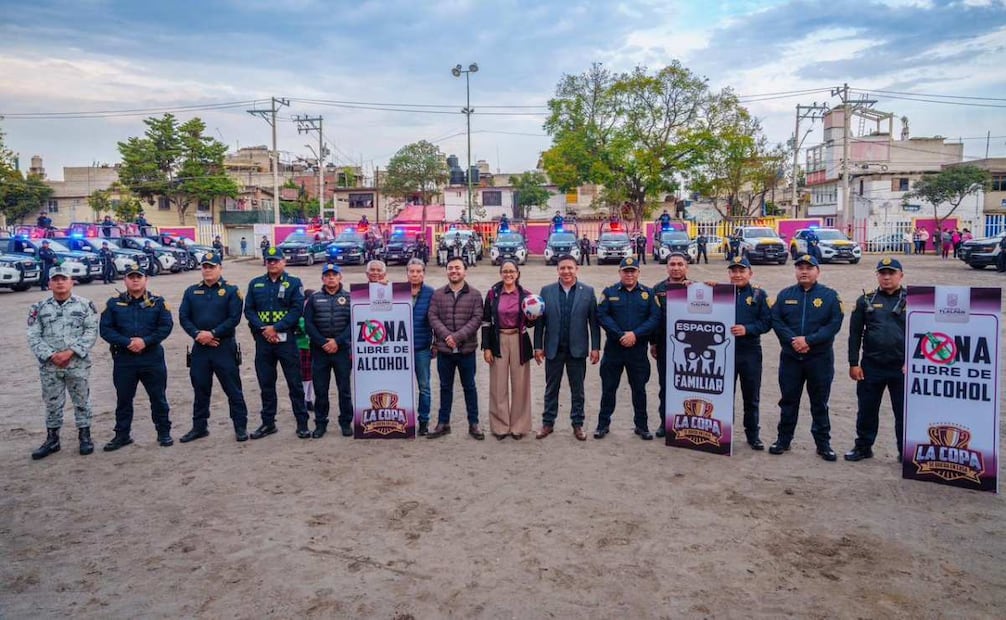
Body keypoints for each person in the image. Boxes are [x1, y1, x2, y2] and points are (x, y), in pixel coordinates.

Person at [769, 254, 844, 461]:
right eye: (800, 268)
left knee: (819, 402)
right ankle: (783, 440)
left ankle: (823, 444)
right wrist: (794, 340)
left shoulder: (829, 296)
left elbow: (834, 324)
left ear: (817, 272)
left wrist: (809, 341)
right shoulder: (785, 295)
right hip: (791, 358)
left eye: (809, 268)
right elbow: (776, 320)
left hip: (819, 359)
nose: (804, 271)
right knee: (788, 400)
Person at [26, 264, 100, 459]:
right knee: (52, 402)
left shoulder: (85, 305)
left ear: (71, 282)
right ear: (49, 283)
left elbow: (91, 332)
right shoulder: (39, 308)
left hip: (76, 363)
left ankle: (84, 435)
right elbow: (33, 336)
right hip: (50, 365)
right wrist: (51, 355)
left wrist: (71, 352)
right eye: (55, 279)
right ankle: (52, 439)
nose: (60, 283)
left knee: (82, 400)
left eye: (63, 279)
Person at [99, 262, 174, 450]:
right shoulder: (114, 303)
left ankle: (163, 432)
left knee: (158, 397)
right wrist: (127, 342)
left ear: (145, 280)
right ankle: (122, 435)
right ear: (125, 280)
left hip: (151, 358)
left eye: (138, 277)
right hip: (124, 359)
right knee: (124, 399)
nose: (135, 280)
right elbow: (106, 330)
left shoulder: (158, 302)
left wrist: (145, 341)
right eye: (131, 277)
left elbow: (165, 327)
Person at [177, 251, 249, 443]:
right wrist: (198, 335)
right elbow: (184, 317)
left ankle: (240, 426)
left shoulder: (232, 291)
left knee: (233, 389)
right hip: (200, 348)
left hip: (223, 347)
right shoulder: (191, 291)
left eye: (212, 266)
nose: (207, 270)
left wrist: (213, 333)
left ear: (220, 268)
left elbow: (234, 318)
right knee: (200, 388)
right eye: (205, 266)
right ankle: (199, 427)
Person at [845, 258, 907, 462]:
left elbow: (924, 334)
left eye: (891, 273)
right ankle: (863, 447)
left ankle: (905, 452)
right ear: (878, 275)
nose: (887, 277)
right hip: (872, 366)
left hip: (903, 368)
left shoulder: (915, 300)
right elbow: (855, 334)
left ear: (901, 275)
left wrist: (916, 362)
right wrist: (854, 363)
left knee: (904, 413)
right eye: (882, 273)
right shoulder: (866, 300)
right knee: (867, 410)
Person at [533, 255, 600, 441]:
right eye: (562, 268)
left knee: (577, 389)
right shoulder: (546, 292)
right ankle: (547, 423)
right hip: (553, 349)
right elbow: (540, 323)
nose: (566, 271)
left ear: (576, 269)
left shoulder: (587, 291)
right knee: (551, 388)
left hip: (577, 350)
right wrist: (538, 346)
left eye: (570, 268)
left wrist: (595, 347)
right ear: (558, 270)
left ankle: (577, 424)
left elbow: (593, 322)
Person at [244, 247, 308, 439]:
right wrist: (265, 329)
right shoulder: (255, 284)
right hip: (264, 341)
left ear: (284, 262)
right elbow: (249, 310)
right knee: (266, 384)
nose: (272, 263)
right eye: (269, 260)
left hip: (287, 341)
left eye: (276, 260)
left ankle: (302, 423)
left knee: (294, 383)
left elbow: (297, 310)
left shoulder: (294, 283)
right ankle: (268, 423)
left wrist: (276, 328)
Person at [596, 257, 661, 440]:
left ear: (638, 273)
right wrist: (620, 335)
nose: (629, 274)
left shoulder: (648, 294)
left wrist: (635, 334)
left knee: (639, 389)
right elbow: (602, 315)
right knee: (609, 388)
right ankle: (603, 425)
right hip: (614, 350)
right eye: (626, 271)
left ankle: (642, 426)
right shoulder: (609, 292)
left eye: (633, 271)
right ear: (620, 272)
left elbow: (655, 318)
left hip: (637, 351)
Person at [427, 256, 485, 440]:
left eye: (457, 268)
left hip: (466, 350)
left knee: (470, 387)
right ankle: (443, 423)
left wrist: (458, 337)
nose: (454, 271)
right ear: (446, 271)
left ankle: (473, 423)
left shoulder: (475, 295)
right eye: (450, 268)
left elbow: (477, 319)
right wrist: (446, 337)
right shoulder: (437, 294)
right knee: (445, 387)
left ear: (464, 271)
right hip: (445, 351)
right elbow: (432, 316)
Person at [481, 260, 536, 439]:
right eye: (505, 271)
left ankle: (519, 427)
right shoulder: (493, 294)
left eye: (512, 271)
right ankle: (500, 426)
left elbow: (530, 322)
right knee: (498, 385)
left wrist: (533, 316)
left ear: (518, 273)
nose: (508, 274)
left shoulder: (526, 295)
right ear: (500, 273)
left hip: (519, 340)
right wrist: (486, 347)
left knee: (520, 385)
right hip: (499, 340)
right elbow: (486, 321)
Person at [725, 256, 772, 449]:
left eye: (741, 271)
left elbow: (767, 322)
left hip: (749, 352)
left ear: (749, 273)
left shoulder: (759, 295)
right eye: (733, 271)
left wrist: (748, 329)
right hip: (724, 353)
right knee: (725, 396)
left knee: (751, 396)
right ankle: (724, 434)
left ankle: (753, 435)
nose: (737, 275)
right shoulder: (720, 293)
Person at [303, 264, 352, 438]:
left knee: (344, 389)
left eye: (334, 275)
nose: (331, 278)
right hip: (320, 351)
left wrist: (337, 341)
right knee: (321, 390)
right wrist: (323, 342)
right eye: (327, 275)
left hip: (341, 350)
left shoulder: (349, 298)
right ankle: (320, 424)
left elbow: (352, 324)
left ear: (340, 277)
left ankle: (346, 422)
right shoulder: (314, 299)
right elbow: (308, 324)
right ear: (322, 278)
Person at [650, 252, 692, 437]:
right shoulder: (658, 289)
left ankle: (689, 423)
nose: (676, 267)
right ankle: (664, 423)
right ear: (667, 267)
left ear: (686, 267)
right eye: (672, 264)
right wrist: (653, 343)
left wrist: (706, 288)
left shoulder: (697, 288)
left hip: (692, 349)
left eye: (680, 264)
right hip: (666, 346)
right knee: (666, 386)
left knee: (688, 385)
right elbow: (653, 319)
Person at [407, 258, 435, 435]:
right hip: (400, 349)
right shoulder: (397, 292)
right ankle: (402, 420)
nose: (415, 274)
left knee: (424, 386)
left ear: (423, 273)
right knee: (401, 385)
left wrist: (436, 343)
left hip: (422, 347)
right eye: (412, 271)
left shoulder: (431, 293)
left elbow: (436, 319)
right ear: (407, 273)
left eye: (418, 271)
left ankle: (423, 422)